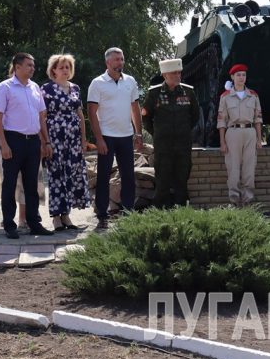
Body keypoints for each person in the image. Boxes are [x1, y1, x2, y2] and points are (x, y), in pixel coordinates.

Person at [0, 52, 53, 239]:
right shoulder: (6, 87)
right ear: (17, 67)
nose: (32, 68)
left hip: (33, 141)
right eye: (29, 65)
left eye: (33, 65)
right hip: (13, 139)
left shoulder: (35, 87)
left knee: (32, 185)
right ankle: (10, 225)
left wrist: (46, 141)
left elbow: (41, 116)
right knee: (10, 185)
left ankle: (34, 223)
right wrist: (3, 144)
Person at [87, 47, 143, 228]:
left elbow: (135, 108)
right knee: (103, 176)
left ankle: (128, 212)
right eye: (117, 59)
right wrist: (99, 139)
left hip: (126, 135)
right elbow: (91, 112)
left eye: (122, 59)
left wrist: (139, 133)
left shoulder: (130, 81)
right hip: (107, 136)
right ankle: (102, 214)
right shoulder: (97, 83)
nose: (120, 62)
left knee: (128, 175)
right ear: (108, 63)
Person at [41, 54, 90, 230]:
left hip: (74, 139)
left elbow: (80, 115)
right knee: (56, 176)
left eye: (67, 67)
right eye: (61, 67)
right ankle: (56, 216)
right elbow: (42, 117)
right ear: (53, 70)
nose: (65, 70)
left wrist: (83, 139)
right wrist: (45, 141)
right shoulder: (46, 89)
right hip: (55, 137)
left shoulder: (75, 88)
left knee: (72, 175)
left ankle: (66, 215)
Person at [142, 58, 199, 207]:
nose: (178, 75)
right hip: (163, 145)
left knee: (182, 178)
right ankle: (161, 213)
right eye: (175, 73)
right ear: (165, 75)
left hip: (183, 144)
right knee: (163, 179)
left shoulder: (188, 92)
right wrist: (158, 133)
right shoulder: (154, 93)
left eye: (179, 72)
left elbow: (195, 116)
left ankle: (181, 211)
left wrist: (184, 131)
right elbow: (146, 117)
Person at [217, 63, 263, 206]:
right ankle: (234, 201)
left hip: (250, 132)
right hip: (233, 132)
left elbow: (258, 119)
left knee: (249, 169)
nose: (241, 77)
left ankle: (248, 200)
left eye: (243, 75)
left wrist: (259, 139)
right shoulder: (225, 97)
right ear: (232, 77)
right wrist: (222, 142)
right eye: (238, 75)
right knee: (233, 168)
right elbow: (221, 121)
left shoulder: (253, 95)